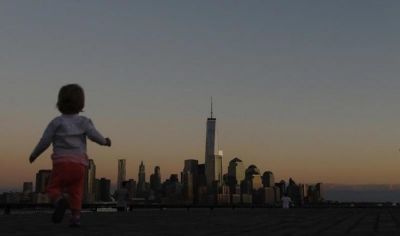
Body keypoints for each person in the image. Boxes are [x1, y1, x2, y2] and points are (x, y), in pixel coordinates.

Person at [29, 84, 111, 227]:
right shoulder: (84, 122)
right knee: (76, 191)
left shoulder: (56, 122)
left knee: (53, 188)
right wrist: (105, 142)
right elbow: (94, 135)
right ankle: (76, 218)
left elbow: (45, 141)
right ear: (81, 104)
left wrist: (34, 154)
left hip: (61, 164)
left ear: (59, 103)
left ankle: (59, 201)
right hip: (79, 165)